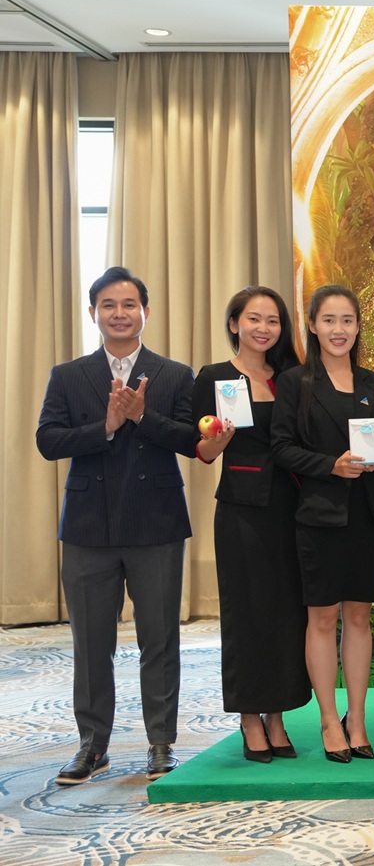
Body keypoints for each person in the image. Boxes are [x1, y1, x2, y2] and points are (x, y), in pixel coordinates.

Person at [37, 266, 198, 784]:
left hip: (156, 522)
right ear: (94, 313)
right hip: (89, 526)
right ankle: (93, 745)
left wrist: (141, 417)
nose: (120, 313)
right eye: (109, 305)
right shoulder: (68, 375)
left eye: (129, 304)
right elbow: (47, 441)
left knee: (159, 638)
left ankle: (160, 743)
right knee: (91, 642)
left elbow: (190, 441)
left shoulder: (174, 374)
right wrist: (103, 427)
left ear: (145, 312)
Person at [270, 284, 374, 763]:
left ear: (358, 326)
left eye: (347, 320)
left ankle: (356, 719)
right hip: (319, 516)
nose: (338, 329)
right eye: (329, 320)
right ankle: (328, 719)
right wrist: (330, 465)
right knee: (322, 619)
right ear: (313, 325)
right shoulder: (294, 383)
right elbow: (281, 448)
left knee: (359, 617)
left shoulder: (373, 384)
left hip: (368, 514)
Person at [191, 286, 310, 763]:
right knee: (247, 614)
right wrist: (217, 442)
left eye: (273, 320)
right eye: (254, 319)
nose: (264, 328)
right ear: (234, 323)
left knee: (286, 614)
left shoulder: (292, 378)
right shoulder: (214, 377)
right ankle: (248, 717)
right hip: (241, 508)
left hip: (293, 507)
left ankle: (277, 715)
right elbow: (200, 450)